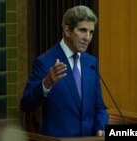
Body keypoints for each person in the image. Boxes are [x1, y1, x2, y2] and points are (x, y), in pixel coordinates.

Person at [20, 5, 109, 137]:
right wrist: (46, 83)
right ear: (67, 30)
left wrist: (101, 127)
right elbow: (26, 105)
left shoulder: (91, 63)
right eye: (83, 30)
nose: (87, 37)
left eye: (91, 32)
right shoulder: (45, 62)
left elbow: (99, 107)